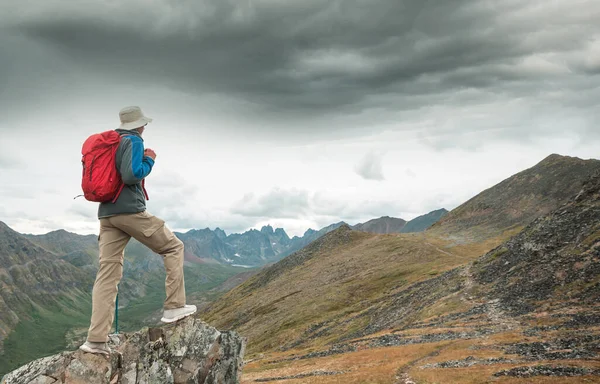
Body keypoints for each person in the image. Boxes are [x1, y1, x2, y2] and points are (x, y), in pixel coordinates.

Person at [80, 106, 196, 355]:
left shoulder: (110, 142)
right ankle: (175, 306)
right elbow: (132, 175)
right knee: (174, 247)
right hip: (129, 210)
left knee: (107, 275)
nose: (145, 128)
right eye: (144, 124)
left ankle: (96, 340)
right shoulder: (133, 141)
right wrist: (150, 159)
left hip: (107, 214)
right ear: (139, 125)